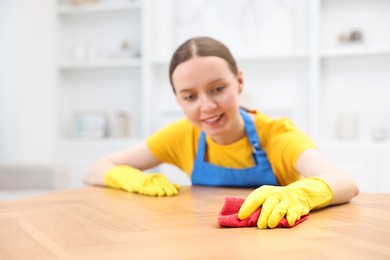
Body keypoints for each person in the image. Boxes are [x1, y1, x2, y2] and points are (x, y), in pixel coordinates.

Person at [84, 36, 359, 229]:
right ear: (178, 100)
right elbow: (95, 169)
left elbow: (344, 182)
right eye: (190, 96)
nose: (207, 106)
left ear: (238, 82)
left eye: (217, 89)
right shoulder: (182, 136)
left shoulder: (276, 135)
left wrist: (300, 194)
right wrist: (132, 179)